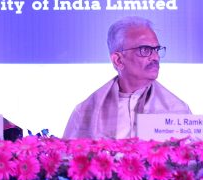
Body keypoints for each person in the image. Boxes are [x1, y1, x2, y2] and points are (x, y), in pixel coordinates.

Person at [63, 16, 191, 139]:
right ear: (118, 60)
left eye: (156, 49)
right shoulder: (86, 113)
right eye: (145, 50)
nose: (155, 57)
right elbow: (68, 153)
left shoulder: (177, 110)